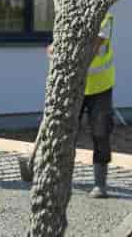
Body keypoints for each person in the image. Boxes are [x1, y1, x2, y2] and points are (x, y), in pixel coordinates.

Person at [46, 12, 116, 197]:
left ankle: (100, 185)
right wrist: (55, 49)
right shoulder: (72, 12)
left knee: (101, 133)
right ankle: (60, 180)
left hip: (100, 86)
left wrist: (76, 68)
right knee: (65, 133)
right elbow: (62, 38)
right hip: (73, 87)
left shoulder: (105, 15)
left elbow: (95, 45)